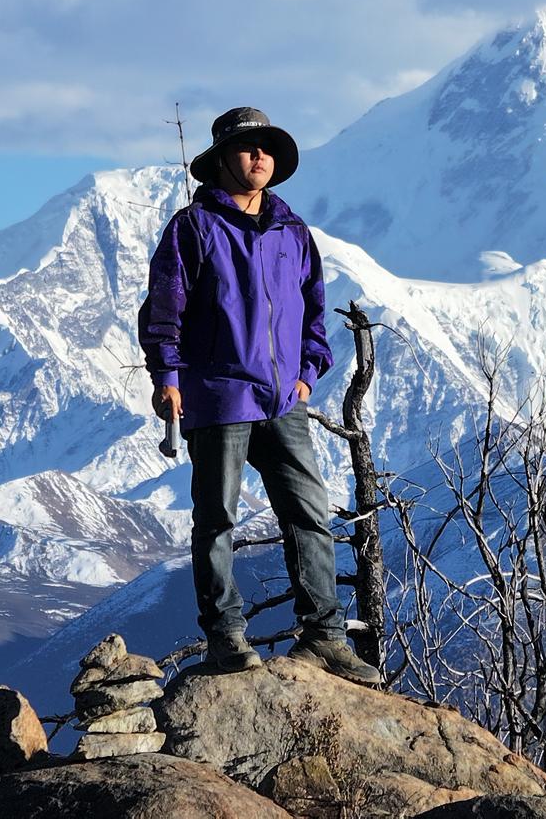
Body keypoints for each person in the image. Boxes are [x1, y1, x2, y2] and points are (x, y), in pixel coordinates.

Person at [138, 106, 380, 684]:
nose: (259, 157)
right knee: (216, 519)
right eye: (248, 147)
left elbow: (314, 312)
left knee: (309, 514)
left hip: (284, 400)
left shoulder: (293, 233)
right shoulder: (194, 228)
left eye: (267, 148)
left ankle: (323, 636)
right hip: (219, 395)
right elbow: (164, 310)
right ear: (221, 159)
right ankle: (226, 637)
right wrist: (166, 377)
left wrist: (307, 374)